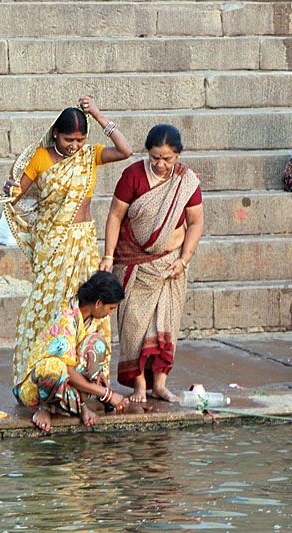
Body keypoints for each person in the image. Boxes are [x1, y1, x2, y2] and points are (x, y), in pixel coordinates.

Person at [1, 97, 133, 391]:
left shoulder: (90, 155)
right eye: (68, 139)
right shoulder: (40, 158)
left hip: (83, 243)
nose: (74, 145)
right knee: (53, 308)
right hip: (53, 245)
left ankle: (89, 380)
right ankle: (48, 379)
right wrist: (9, 188)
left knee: (89, 304)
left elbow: (126, 150)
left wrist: (98, 115)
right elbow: (15, 197)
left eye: (79, 139)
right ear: (55, 134)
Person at [99, 125, 204, 403]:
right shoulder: (132, 175)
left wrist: (184, 260)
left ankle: (159, 385)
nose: (160, 164)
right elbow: (114, 216)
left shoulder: (186, 181)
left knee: (164, 326)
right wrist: (108, 256)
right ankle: (139, 386)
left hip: (170, 266)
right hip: (133, 264)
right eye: (155, 157)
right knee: (134, 325)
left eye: (167, 159)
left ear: (178, 156)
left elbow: (195, 223)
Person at [13, 271, 130, 431]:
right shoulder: (65, 319)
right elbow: (67, 371)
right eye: (111, 308)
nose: (110, 314)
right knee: (54, 367)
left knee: (97, 343)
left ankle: (80, 405)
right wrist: (107, 395)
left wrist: (99, 376)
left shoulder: (90, 318)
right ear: (98, 303)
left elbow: (82, 357)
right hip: (36, 387)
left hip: (66, 380)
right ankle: (44, 408)